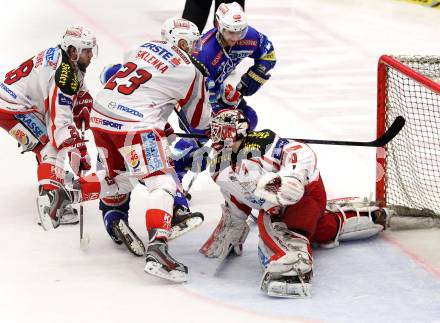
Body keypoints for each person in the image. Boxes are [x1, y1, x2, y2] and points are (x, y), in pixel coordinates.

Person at [39, 17, 211, 283]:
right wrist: (219, 129)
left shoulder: (143, 47)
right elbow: (199, 123)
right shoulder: (191, 69)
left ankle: (68, 193)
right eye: (192, 43)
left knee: (121, 180)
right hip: (135, 126)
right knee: (162, 182)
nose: (197, 48)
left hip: (101, 116)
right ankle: (158, 249)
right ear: (179, 42)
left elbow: (120, 76)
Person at [200, 109, 388, 298]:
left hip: (305, 195)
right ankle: (365, 216)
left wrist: (292, 176)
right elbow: (236, 196)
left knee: (273, 226)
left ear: (238, 129)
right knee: (317, 228)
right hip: (279, 206)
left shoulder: (263, 142)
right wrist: (234, 225)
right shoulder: (218, 166)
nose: (216, 136)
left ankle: (294, 264)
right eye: (214, 131)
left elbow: (299, 151)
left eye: (221, 131)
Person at [173, 1, 276, 193]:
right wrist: (219, 118)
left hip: (216, 91)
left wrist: (256, 75)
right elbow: (198, 93)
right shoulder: (203, 52)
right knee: (195, 141)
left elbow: (268, 53)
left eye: (240, 32)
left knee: (248, 119)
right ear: (218, 26)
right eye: (230, 32)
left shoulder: (249, 37)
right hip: (195, 99)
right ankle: (173, 180)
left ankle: (236, 168)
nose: (236, 38)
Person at [0, 24, 96, 224]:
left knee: (47, 139)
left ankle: (51, 177)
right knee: (51, 145)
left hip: (17, 102)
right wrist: (76, 146)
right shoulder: (64, 73)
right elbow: (59, 123)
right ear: (73, 50)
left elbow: (75, 85)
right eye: (86, 50)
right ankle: (52, 202)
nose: (91, 55)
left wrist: (83, 101)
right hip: (12, 108)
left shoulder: (65, 58)